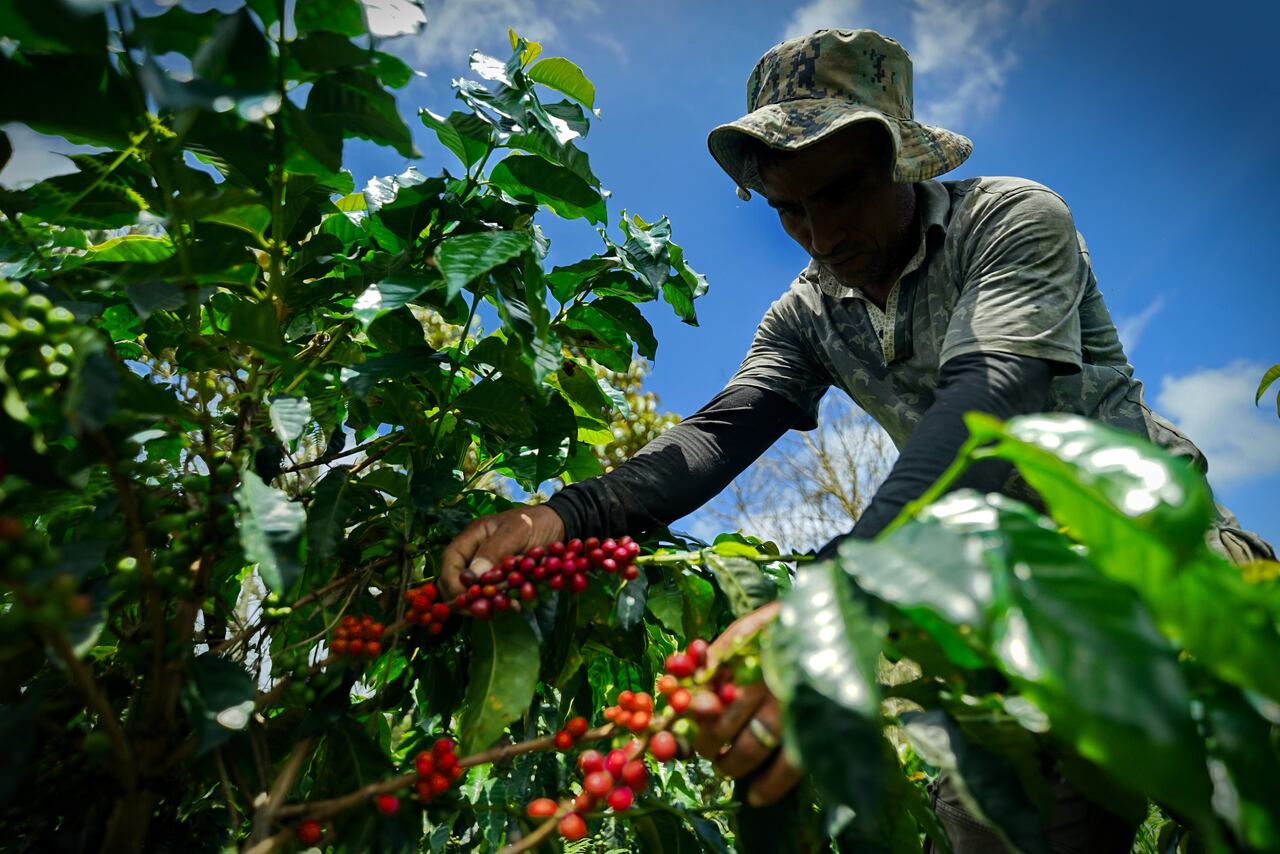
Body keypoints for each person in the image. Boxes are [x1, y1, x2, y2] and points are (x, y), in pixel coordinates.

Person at [440, 28, 1275, 852]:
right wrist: (562, 517)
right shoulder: (807, 314)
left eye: (839, 193)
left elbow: (988, 406)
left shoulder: (1012, 220)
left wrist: (829, 607)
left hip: (1161, 566)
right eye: (789, 210)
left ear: (903, 163)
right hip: (1001, 618)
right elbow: (724, 430)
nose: (819, 232)